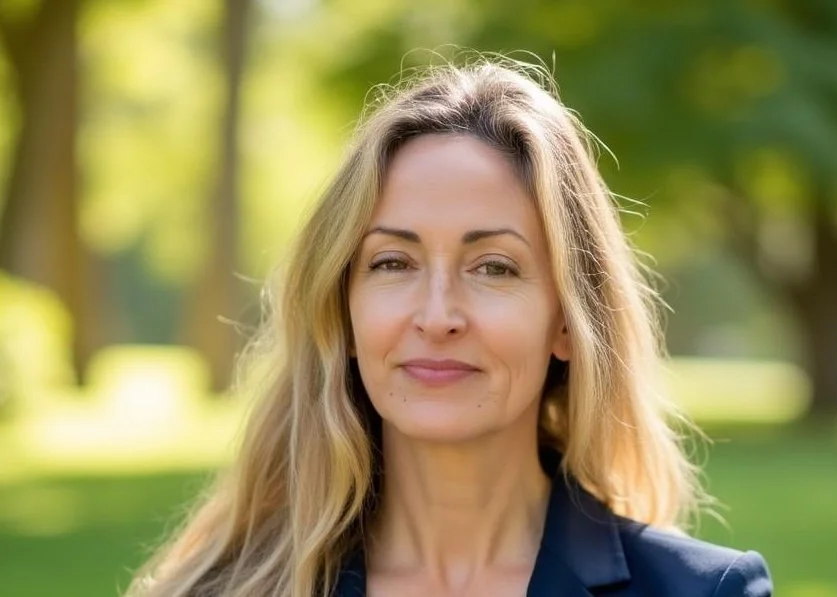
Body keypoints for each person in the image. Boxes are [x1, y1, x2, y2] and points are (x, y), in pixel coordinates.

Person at [126, 57, 773, 597]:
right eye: (393, 262)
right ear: (343, 309)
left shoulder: (702, 591)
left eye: (493, 267)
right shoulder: (220, 589)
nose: (437, 317)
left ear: (568, 322)